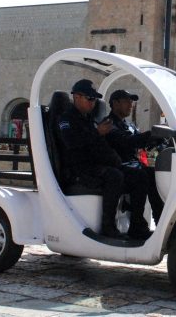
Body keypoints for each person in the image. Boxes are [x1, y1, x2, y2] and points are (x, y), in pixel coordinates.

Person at [59, 79, 150, 240]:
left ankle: (137, 225)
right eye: (90, 99)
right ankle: (108, 226)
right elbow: (72, 143)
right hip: (79, 168)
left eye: (94, 99)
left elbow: (101, 146)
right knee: (114, 176)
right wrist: (97, 132)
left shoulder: (88, 119)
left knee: (140, 175)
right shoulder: (67, 119)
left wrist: (114, 159)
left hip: (95, 165)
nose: (93, 103)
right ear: (77, 97)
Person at [104, 89, 164, 223]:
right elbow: (127, 141)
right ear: (115, 103)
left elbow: (140, 143)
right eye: (126, 101)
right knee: (143, 175)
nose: (130, 105)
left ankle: (160, 219)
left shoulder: (128, 125)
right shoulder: (109, 124)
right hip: (118, 167)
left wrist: (157, 141)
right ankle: (137, 224)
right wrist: (152, 134)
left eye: (131, 102)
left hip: (131, 165)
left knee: (154, 171)